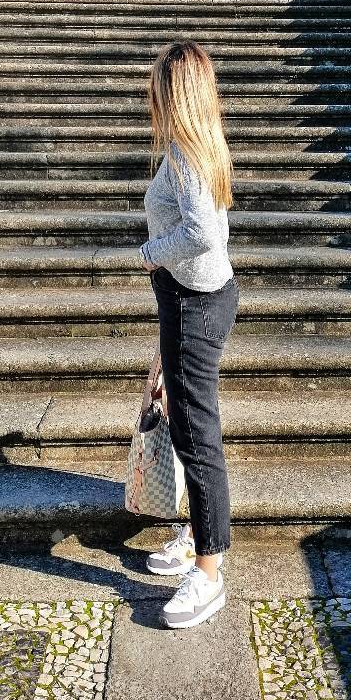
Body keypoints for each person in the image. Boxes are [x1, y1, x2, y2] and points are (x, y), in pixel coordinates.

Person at [139, 41, 238, 629]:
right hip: (194, 299)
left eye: (156, 86)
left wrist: (152, 252)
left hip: (195, 301)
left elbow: (203, 232)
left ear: (173, 93)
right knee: (186, 420)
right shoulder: (198, 145)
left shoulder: (183, 153)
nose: (148, 95)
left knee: (198, 433)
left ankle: (208, 574)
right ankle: (198, 529)